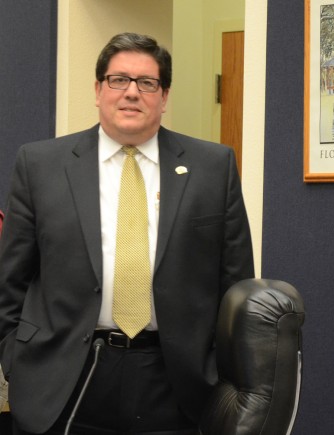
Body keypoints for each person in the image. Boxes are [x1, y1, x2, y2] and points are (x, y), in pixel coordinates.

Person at [0, 32, 254, 434]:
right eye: (119, 80)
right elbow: (10, 281)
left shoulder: (213, 167)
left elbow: (236, 284)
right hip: (64, 379)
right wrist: (15, 358)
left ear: (164, 96)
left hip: (176, 384)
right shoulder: (40, 164)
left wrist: (221, 372)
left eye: (147, 83)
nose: (131, 93)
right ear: (98, 90)